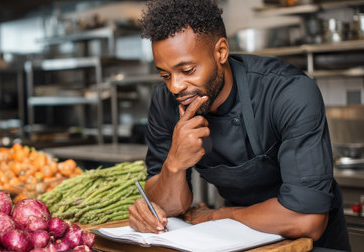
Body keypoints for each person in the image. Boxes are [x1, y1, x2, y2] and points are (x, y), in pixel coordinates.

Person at [127, 0, 351, 250]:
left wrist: (218, 215)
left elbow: (308, 220)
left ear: (221, 51)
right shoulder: (165, 102)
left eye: (188, 70)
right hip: (236, 240)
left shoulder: (288, 92)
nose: (175, 86)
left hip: (310, 245)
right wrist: (175, 163)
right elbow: (168, 208)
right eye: (165, 75)